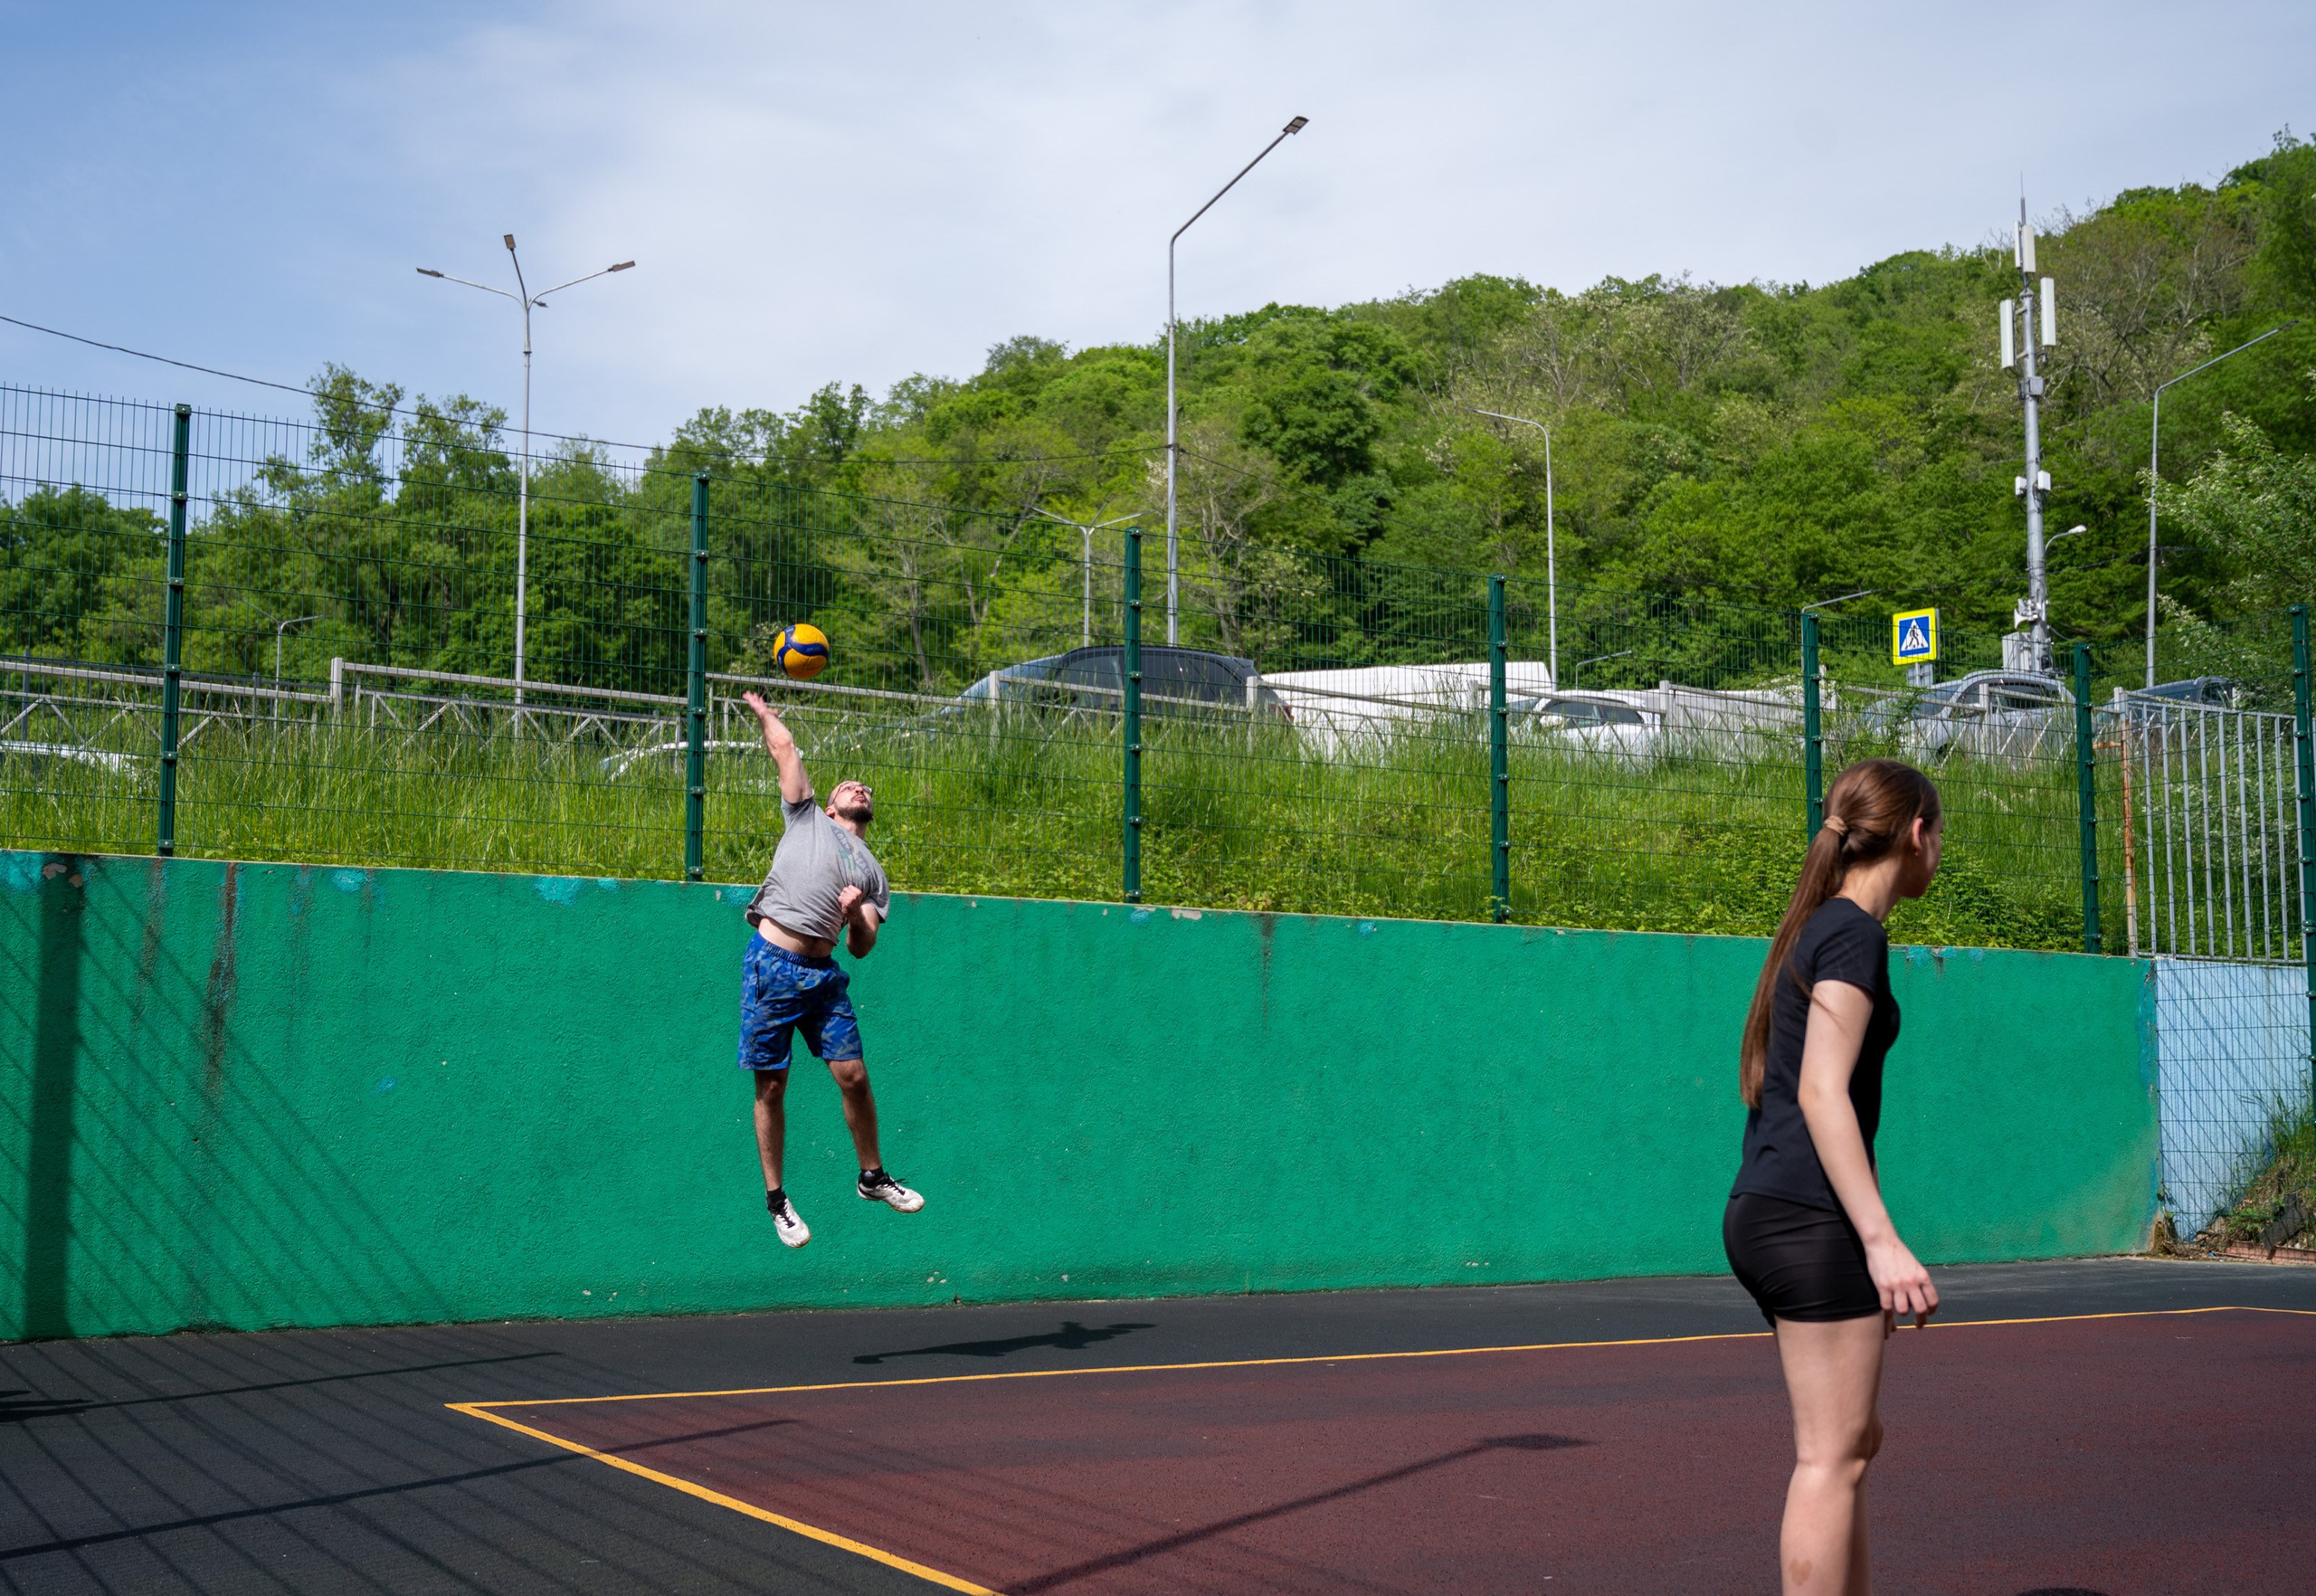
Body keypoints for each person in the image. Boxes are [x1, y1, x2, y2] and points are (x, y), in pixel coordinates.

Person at [1724, 757, 1943, 1596]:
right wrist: (1881, 1243)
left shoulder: (1822, 927)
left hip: (1780, 1211)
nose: (1938, 856)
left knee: (1853, 1445)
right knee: (1829, 1458)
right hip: (1804, 1217)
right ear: (1917, 833)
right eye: (1939, 838)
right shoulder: (1852, 933)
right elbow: (1821, 1091)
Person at [736, 689, 923, 1249]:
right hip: (772, 965)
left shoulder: (873, 872)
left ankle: (872, 1175)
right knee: (771, 1087)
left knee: (855, 1077)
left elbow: (863, 944)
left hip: (823, 979)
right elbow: (786, 752)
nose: (859, 787)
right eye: (849, 786)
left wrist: (853, 914)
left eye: (866, 789)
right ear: (833, 806)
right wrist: (766, 714)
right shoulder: (806, 819)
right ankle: (777, 1200)